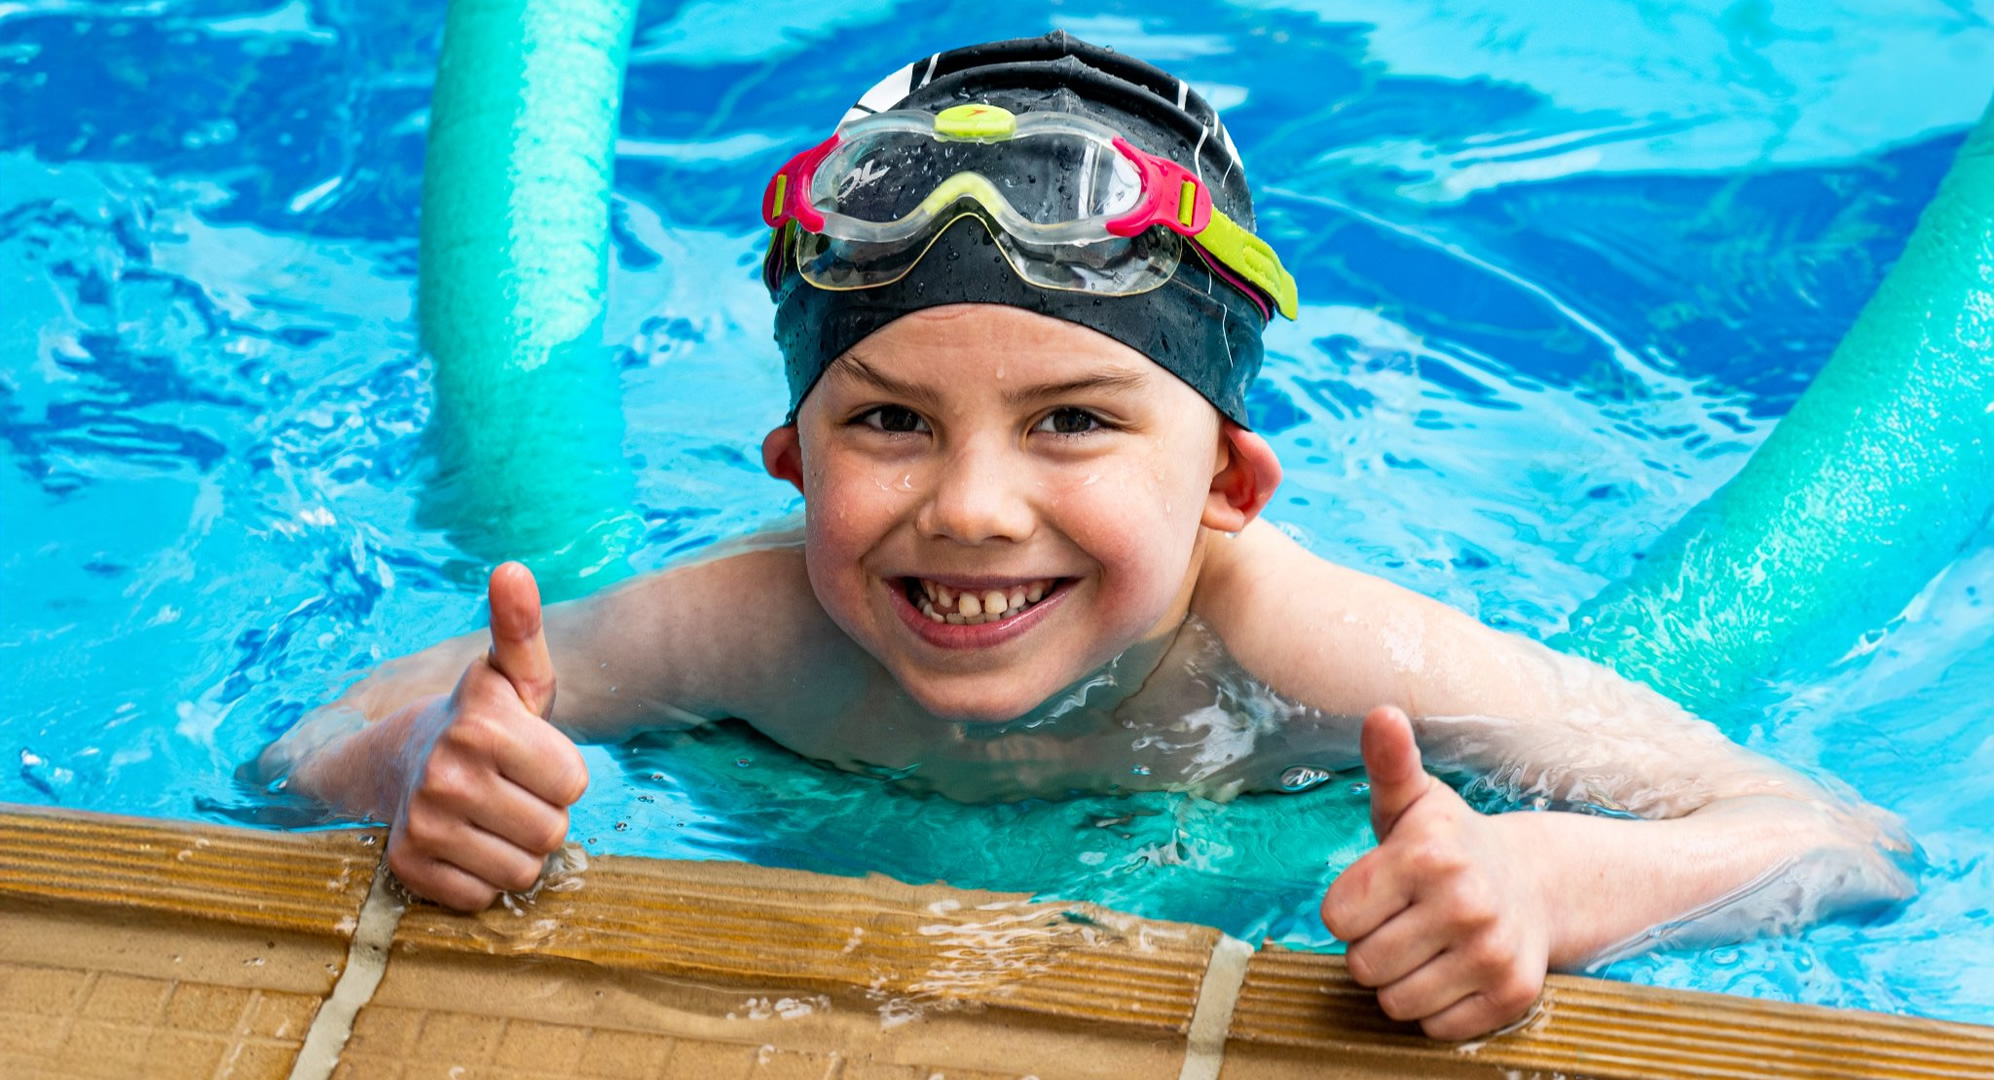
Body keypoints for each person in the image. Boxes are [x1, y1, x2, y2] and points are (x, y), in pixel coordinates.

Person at [259, 34, 1912, 1040]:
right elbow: (305, 752)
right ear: (790, 465)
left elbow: (1838, 841)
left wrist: (1557, 887)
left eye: (1071, 421)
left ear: (1227, 489)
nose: (970, 505)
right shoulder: (744, 629)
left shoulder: (1310, 651)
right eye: (886, 422)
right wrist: (419, 780)